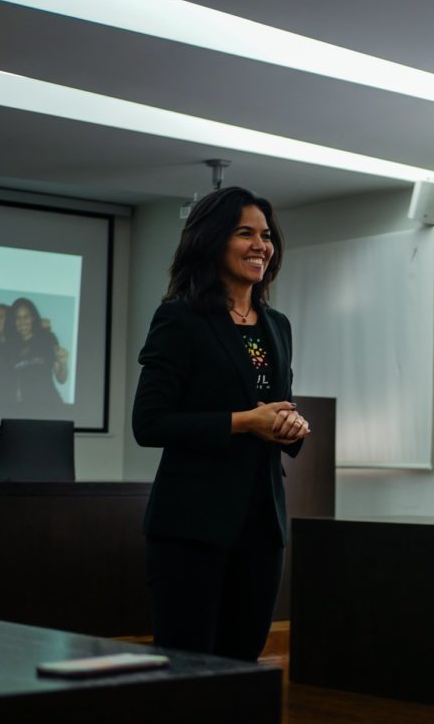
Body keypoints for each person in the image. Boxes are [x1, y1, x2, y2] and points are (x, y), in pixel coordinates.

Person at [132, 186, 310, 661]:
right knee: (188, 672)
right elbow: (149, 423)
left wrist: (289, 425)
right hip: (191, 527)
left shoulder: (277, 325)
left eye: (266, 235)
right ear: (212, 240)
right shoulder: (179, 319)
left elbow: (273, 407)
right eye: (245, 233)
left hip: (261, 527)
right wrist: (244, 421)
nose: (261, 245)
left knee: (242, 668)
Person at [9, 297, 67, 412]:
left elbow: (61, 379)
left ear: (33, 318)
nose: (22, 322)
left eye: (26, 317)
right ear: (13, 321)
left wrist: (63, 364)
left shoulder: (47, 338)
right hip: (23, 409)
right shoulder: (11, 347)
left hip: (50, 406)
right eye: (18, 318)